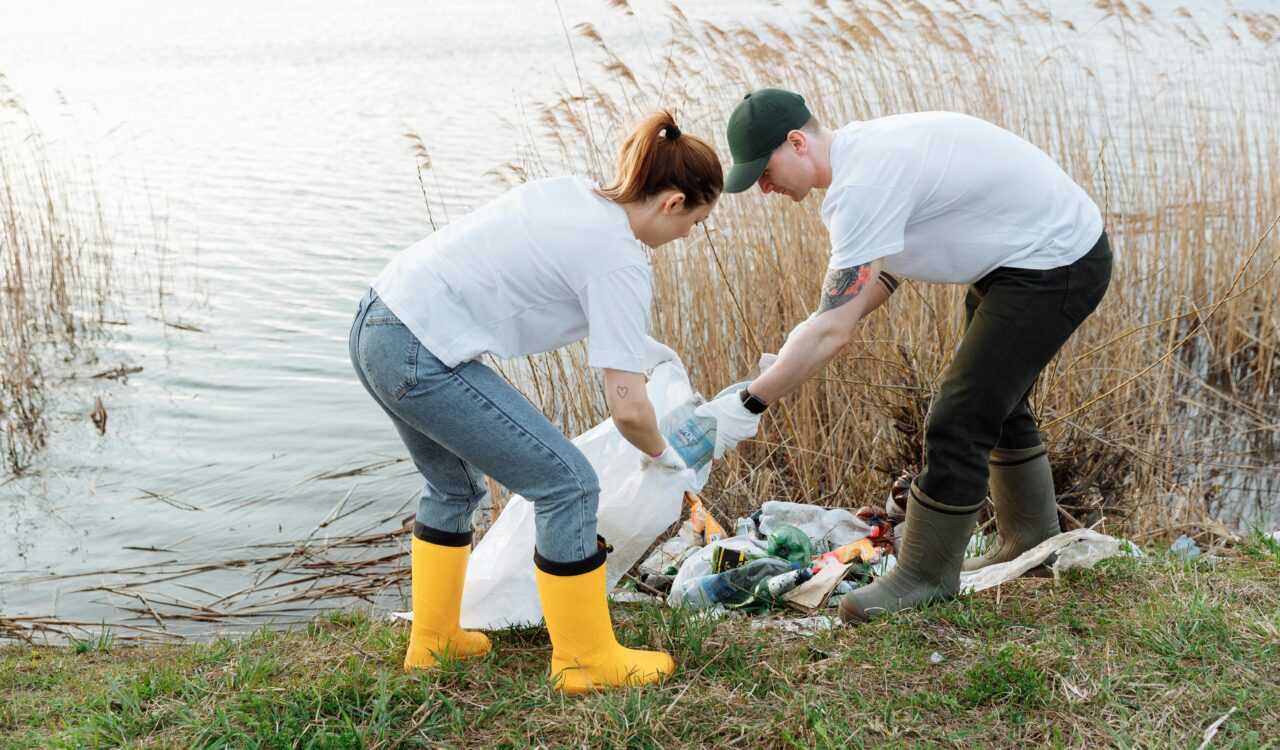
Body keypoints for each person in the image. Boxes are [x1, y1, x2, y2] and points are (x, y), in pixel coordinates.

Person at [696, 89, 1112, 622]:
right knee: (995, 401)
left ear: (797, 143)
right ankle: (1031, 541)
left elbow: (833, 331)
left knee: (960, 415)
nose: (764, 186)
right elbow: (869, 286)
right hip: (1019, 260)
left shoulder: (861, 186)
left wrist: (750, 403)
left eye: (764, 171)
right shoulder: (865, 157)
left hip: (1055, 261)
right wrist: (802, 343)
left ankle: (925, 577)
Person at [349, 111, 722, 691]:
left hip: (378, 323)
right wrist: (667, 458)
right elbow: (627, 406)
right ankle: (585, 660)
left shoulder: (573, 195)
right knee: (569, 485)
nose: (688, 235)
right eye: (695, 222)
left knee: (453, 487)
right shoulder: (620, 259)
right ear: (673, 202)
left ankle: (433, 641)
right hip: (419, 349)